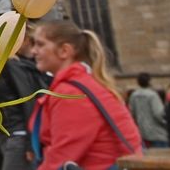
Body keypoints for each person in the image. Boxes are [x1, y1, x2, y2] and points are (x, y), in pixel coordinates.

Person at [29, 20, 141, 170]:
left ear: (64, 51)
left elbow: (62, 156)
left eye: (40, 44)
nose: (33, 51)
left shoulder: (70, 93)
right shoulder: (82, 83)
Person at [0, 25, 50, 170]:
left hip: (19, 135)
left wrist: (31, 142)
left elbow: (28, 100)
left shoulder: (11, 64)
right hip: (9, 135)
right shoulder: (8, 64)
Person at [128, 72, 169, 149]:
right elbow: (158, 114)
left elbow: (131, 113)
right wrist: (166, 124)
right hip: (157, 133)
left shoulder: (133, 96)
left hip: (142, 132)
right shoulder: (153, 95)